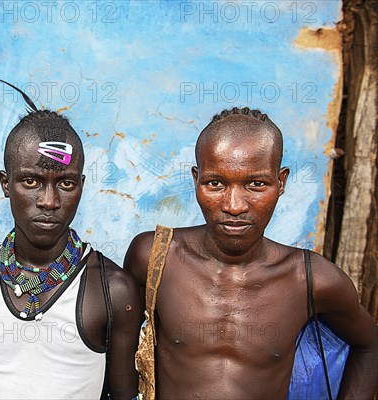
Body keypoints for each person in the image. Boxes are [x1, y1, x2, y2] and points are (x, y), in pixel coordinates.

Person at [125, 107, 378, 399]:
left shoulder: (310, 279)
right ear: (196, 179)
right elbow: (115, 344)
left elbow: (369, 345)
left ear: (280, 182)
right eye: (215, 183)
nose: (234, 206)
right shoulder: (156, 256)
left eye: (256, 184)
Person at [0, 86, 142, 400]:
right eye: (31, 181)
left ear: (81, 186)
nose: (48, 201)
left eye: (65, 183)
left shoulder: (113, 290)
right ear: (6, 184)